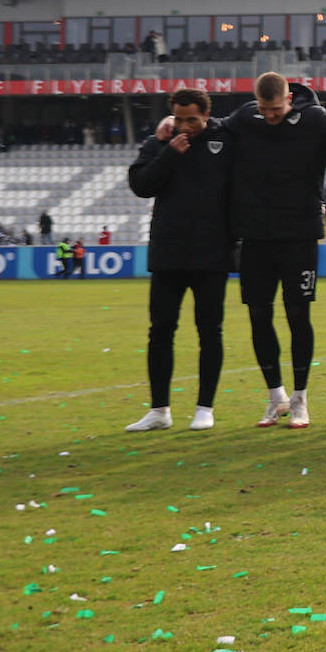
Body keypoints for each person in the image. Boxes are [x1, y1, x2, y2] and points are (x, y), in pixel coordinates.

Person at [200, 73, 326, 429]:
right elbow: (214, 127)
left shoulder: (314, 119)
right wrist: (172, 123)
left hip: (298, 236)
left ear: (289, 100)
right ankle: (275, 395)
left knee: (298, 315)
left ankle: (300, 398)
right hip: (254, 237)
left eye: (276, 109)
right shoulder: (247, 116)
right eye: (264, 109)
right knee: (258, 315)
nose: (269, 116)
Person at [124, 88, 233, 432]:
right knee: (160, 332)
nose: (185, 126)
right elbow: (141, 185)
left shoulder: (224, 139)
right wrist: (168, 153)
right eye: (180, 118)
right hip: (168, 252)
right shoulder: (158, 143)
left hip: (212, 252)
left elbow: (246, 118)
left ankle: (205, 408)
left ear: (206, 115)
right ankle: (159, 410)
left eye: (193, 119)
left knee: (209, 332)